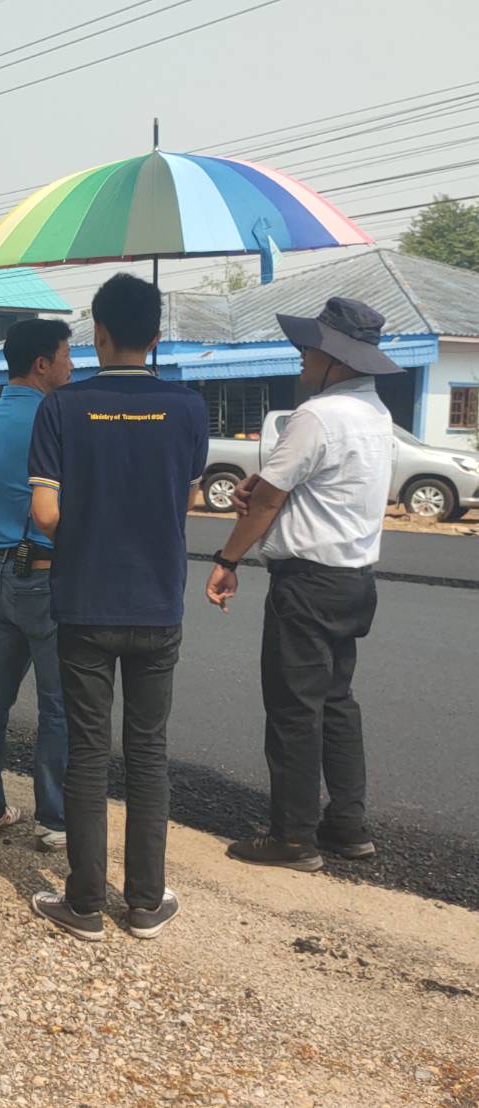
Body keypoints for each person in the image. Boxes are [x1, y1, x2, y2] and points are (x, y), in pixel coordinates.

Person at [25, 273, 208, 943]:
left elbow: (45, 513)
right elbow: (186, 500)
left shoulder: (62, 407)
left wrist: (91, 530)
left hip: (83, 603)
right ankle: (145, 901)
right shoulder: (188, 407)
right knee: (148, 751)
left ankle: (82, 904)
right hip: (157, 602)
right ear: (155, 337)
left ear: (96, 333)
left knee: (87, 751)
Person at [206, 298, 397, 872]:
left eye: (309, 349)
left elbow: (267, 502)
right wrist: (263, 484)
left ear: (335, 358)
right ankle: (348, 825)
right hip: (355, 579)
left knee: (294, 708)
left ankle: (293, 838)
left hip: (307, 583)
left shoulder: (317, 415)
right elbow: (305, 485)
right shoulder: (375, 413)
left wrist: (228, 559)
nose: (301, 358)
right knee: (337, 701)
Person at [0, 318, 74, 849]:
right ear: (42, 364)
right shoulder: (55, 418)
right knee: (58, 703)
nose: (71, 366)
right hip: (46, 573)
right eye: (66, 356)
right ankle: (54, 819)